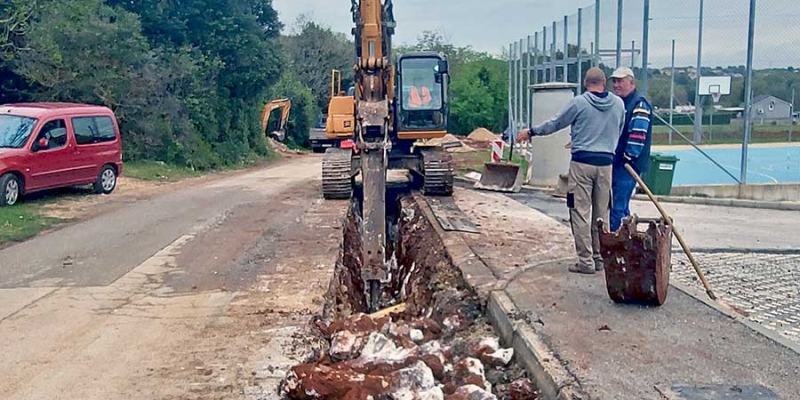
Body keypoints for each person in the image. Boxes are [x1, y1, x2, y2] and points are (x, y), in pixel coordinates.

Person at [518, 68, 625, 274]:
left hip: (582, 164)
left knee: (580, 212)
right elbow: (617, 131)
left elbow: (556, 123)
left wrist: (532, 132)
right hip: (606, 165)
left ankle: (585, 262)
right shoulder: (618, 104)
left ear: (586, 83)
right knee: (602, 214)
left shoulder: (579, 103)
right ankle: (600, 258)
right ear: (605, 83)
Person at [610, 66, 653, 232]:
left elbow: (638, 135)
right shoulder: (620, 103)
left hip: (628, 166)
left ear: (631, 82)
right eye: (614, 81)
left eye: (620, 81)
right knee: (619, 206)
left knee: (617, 208)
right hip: (618, 163)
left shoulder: (639, 104)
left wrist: (628, 158)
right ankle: (626, 238)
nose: (616, 85)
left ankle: (614, 244)